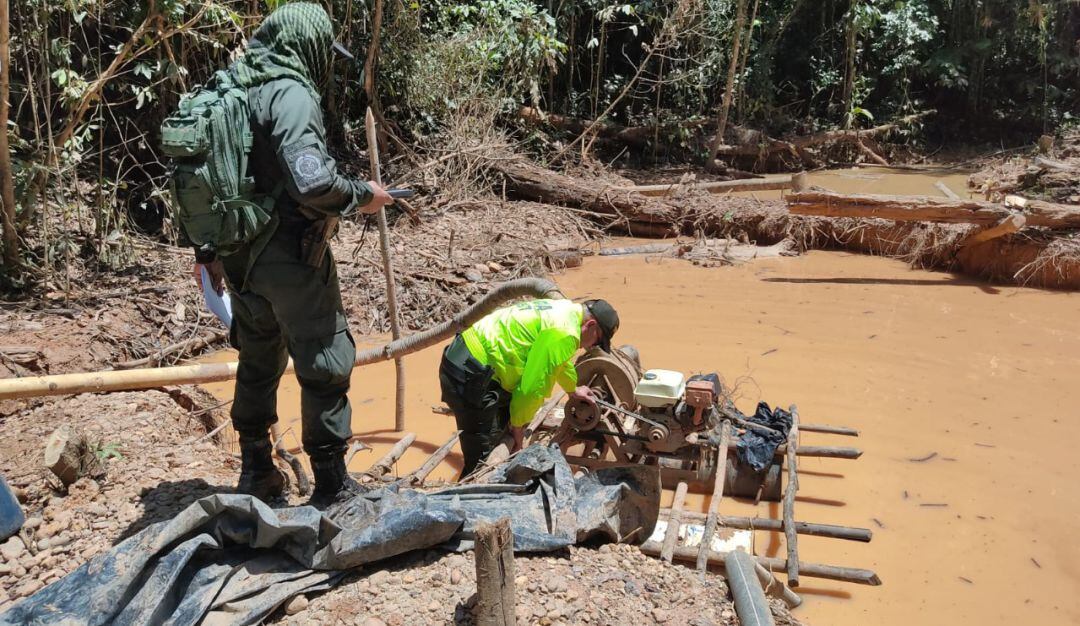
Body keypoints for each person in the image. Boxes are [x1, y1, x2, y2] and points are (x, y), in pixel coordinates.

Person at [193, 3, 392, 507]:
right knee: (325, 354)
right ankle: (331, 483)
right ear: (306, 44)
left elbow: (206, 177)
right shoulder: (291, 91)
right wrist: (363, 195)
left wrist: (208, 251)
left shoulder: (232, 87)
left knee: (258, 357)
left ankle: (256, 469)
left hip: (239, 256)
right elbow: (312, 181)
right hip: (289, 254)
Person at [439, 298, 620, 478]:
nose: (590, 347)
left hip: (472, 358)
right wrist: (518, 427)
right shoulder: (565, 333)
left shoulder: (566, 311)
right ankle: (467, 495)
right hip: (469, 373)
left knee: (503, 425)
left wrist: (573, 389)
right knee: (484, 460)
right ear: (590, 324)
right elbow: (532, 388)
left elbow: (558, 362)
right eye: (596, 341)